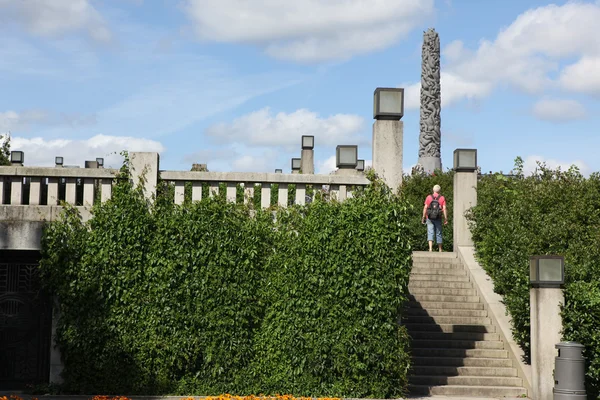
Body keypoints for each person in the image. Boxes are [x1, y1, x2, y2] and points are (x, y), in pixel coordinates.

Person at [422, 184, 448, 252]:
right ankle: (440, 249)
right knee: (438, 233)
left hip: (429, 217)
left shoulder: (428, 197)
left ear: (433, 190)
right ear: (439, 190)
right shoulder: (442, 198)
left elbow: (425, 207)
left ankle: (430, 248)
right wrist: (446, 218)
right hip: (438, 217)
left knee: (430, 232)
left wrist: (423, 217)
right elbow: (444, 209)